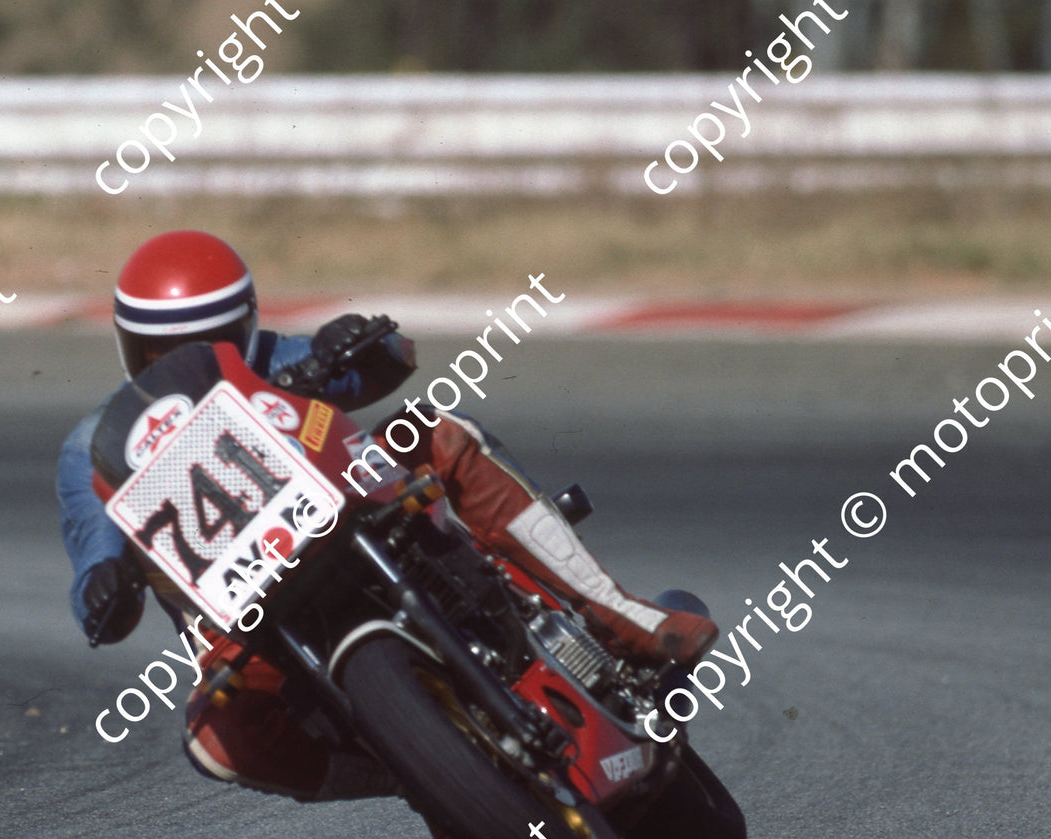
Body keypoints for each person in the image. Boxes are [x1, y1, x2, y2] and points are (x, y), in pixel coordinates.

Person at [57, 229, 718, 809]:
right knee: (215, 741)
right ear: (128, 348)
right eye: (155, 354)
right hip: (248, 622)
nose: (177, 368)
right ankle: (422, 776)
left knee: (438, 431)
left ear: (243, 330)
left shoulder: (272, 360)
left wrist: (356, 345)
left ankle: (619, 615)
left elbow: (391, 360)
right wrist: (105, 587)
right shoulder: (95, 447)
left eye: (205, 344)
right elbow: (95, 556)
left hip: (356, 523)